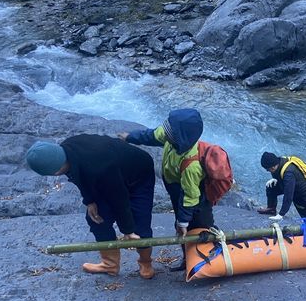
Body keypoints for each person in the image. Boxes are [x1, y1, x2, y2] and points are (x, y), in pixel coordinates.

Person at [26, 136, 156, 278]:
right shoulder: (66, 152)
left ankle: (145, 262)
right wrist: (90, 201)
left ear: (56, 171)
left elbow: (118, 197)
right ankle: (110, 264)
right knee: (96, 218)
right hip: (110, 176)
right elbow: (78, 176)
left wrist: (128, 230)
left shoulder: (98, 166)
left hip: (138, 175)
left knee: (139, 226)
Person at [120, 108, 213, 272]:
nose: (165, 131)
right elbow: (153, 135)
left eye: (170, 130)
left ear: (180, 137)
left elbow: (190, 196)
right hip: (177, 192)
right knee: (183, 230)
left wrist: (183, 220)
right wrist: (130, 137)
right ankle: (188, 261)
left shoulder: (192, 164)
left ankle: (207, 263)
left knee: (198, 229)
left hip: (195, 200)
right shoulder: (173, 137)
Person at [257, 152, 306, 221]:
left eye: (268, 169)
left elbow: (288, 196)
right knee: (271, 187)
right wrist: (275, 179)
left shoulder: (289, 173)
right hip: (288, 185)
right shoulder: (279, 162)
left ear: (272, 167)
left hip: (302, 194)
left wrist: (281, 214)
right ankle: (271, 209)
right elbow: (279, 173)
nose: (268, 171)